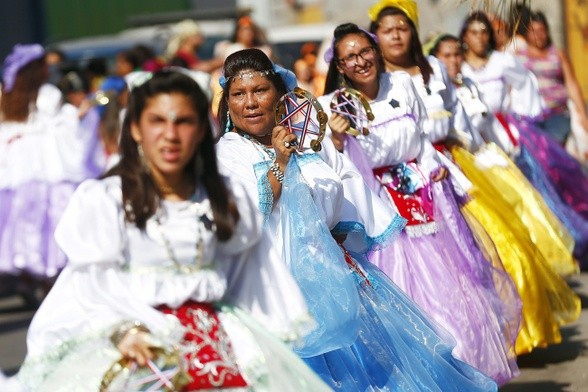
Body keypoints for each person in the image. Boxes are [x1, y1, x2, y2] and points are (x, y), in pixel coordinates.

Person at [16, 69, 330, 391]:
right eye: (157, 121)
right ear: (136, 129)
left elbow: (248, 278)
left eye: (183, 121)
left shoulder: (224, 197)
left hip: (215, 350)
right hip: (137, 350)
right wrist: (125, 331)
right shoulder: (107, 199)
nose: (170, 135)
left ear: (199, 131)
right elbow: (88, 286)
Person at [216, 47, 498, 391]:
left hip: (338, 279)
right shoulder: (228, 153)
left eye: (260, 90)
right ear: (227, 103)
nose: (250, 103)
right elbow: (249, 215)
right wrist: (280, 162)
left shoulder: (309, 140)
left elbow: (346, 188)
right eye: (239, 95)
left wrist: (334, 235)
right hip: (278, 295)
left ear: (279, 94)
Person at [319, 20, 521, 385]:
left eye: (365, 51)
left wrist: (430, 166)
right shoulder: (333, 106)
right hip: (378, 208)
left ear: (376, 52)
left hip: (425, 198)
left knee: (454, 288)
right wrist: (335, 137)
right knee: (406, 292)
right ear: (340, 66)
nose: (360, 61)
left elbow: (423, 136)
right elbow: (335, 168)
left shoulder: (403, 85)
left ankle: (465, 367)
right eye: (350, 57)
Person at [428, 32, 588, 270]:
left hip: (488, 155)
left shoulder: (468, 85)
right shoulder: (435, 92)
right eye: (446, 56)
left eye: (456, 54)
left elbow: (484, 122)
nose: (453, 61)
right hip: (457, 167)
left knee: (523, 206)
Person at [0, 44, 93, 307]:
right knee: (50, 225)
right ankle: (48, 284)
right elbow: (64, 123)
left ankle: (28, 279)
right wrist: (79, 113)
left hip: (16, 170)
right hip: (47, 167)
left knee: (21, 223)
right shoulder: (48, 94)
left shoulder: (8, 96)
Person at [515, 10, 588, 146]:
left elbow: (571, 83)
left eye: (541, 30)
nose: (538, 35)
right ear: (526, 33)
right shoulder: (518, 56)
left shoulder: (558, 53)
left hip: (558, 113)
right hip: (532, 118)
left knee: (555, 145)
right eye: (533, 31)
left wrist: (583, 115)